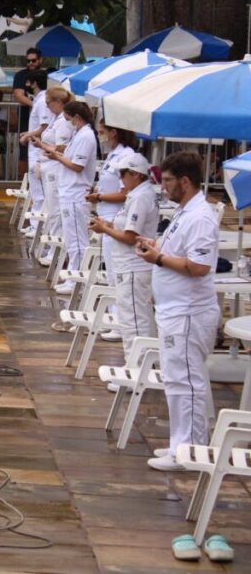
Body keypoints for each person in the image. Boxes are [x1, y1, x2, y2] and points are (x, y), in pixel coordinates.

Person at [134, 151, 219, 472]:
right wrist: (156, 248)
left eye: (168, 180)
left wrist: (156, 259)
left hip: (188, 312)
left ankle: (191, 450)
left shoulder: (199, 217)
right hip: (175, 310)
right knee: (176, 379)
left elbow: (198, 266)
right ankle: (180, 444)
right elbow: (178, 253)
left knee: (187, 381)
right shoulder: (186, 211)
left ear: (185, 181)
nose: (163, 186)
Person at [89, 153, 158, 358]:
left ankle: (135, 368)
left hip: (133, 266)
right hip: (129, 266)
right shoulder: (136, 194)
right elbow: (127, 227)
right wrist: (109, 225)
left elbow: (130, 237)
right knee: (138, 318)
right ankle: (146, 365)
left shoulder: (140, 197)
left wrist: (105, 229)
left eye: (123, 173)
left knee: (133, 321)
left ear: (135, 174)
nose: (121, 178)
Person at [84, 119, 137, 337]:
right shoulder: (114, 154)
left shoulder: (126, 156)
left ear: (114, 132)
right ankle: (113, 315)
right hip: (105, 216)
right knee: (110, 268)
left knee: (116, 271)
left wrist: (100, 196)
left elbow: (125, 192)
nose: (101, 136)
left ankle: (119, 320)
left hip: (115, 218)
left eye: (103, 132)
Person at [39, 100, 96, 294]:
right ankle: (73, 275)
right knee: (72, 238)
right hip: (68, 190)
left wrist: (57, 157)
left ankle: (77, 281)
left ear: (77, 118)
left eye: (68, 118)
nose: (66, 122)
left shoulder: (87, 136)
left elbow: (77, 166)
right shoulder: (80, 134)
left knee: (78, 240)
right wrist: (55, 152)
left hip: (76, 192)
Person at [29, 86, 74, 265]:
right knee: (52, 209)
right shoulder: (58, 119)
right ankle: (52, 249)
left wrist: (44, 147)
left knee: (55, 211)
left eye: (48, 103)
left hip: (55, 169)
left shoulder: (63, 122)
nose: (46, 107)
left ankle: (55, 252)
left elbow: (62, 148)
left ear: (58, 103)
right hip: (49, 166)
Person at [17, 70, 53, 231]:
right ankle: (35, 224)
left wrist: (28, 135)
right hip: (35, 148)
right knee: (36, 190)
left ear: (34, 83)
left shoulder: (43, 101)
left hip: (38, 150)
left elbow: (44, 126)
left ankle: (38, 226)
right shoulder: (39, 100)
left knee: (39, 191)